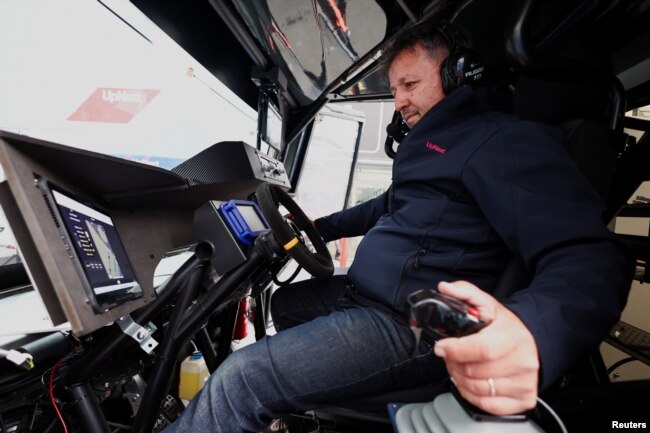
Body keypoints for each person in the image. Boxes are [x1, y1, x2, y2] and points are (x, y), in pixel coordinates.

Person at [163, 19, 633, 432]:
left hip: (412, 324)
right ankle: (297, 404)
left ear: (455, 74)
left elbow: (588, 253)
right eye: (395, 89)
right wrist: (314, 229)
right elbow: (383, 207)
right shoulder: (438, 146)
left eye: (409, 84)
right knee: (285, 304)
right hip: (369, 298)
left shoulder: (500, 141)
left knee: (242, 378)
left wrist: (534, 333)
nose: (399, 103)